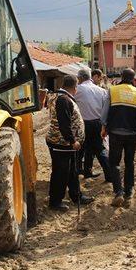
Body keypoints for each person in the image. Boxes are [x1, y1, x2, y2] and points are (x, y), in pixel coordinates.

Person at [46, 75, 94, 211]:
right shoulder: (63, 100)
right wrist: (72, 141)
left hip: (63, 143)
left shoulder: (60, 96)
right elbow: (64, 124)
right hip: (62, 144)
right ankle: (55, 202)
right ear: (75, 87)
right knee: (60, 173)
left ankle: (76, 196)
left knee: (72, 171)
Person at [101, 68, 136, 207]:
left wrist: (104, 127)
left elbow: (105, 111)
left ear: (121, 77)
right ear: (134, 78)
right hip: (132, 133)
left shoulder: (113, 90)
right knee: (129, 162)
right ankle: (129, 192)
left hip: (115, 132)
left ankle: (118, 192)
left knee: (114, 162)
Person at [75, 68, 111, 180]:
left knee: (80, 149)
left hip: (83, 123)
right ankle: (103, 174)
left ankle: (76, 173)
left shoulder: (77, 89)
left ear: (79, 78)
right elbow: (106, 109)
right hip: (98, 123)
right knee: (97, 149)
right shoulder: (101, 91)